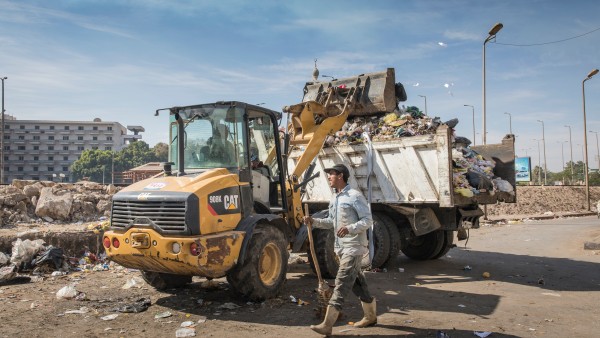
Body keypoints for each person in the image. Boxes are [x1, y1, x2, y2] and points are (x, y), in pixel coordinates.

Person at [303, 163, 377, 336]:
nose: (329, 177)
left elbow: (368, 220)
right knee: (358, 283)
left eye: (332, 174)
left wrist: (350, 228)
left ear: (341, 176)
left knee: (341, 284)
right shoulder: (335, 198)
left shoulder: (354, 196)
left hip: (354, 247)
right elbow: (331, 222)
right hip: (341, 249)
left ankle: (327, 325)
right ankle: (370, 316)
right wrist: (314, 221)